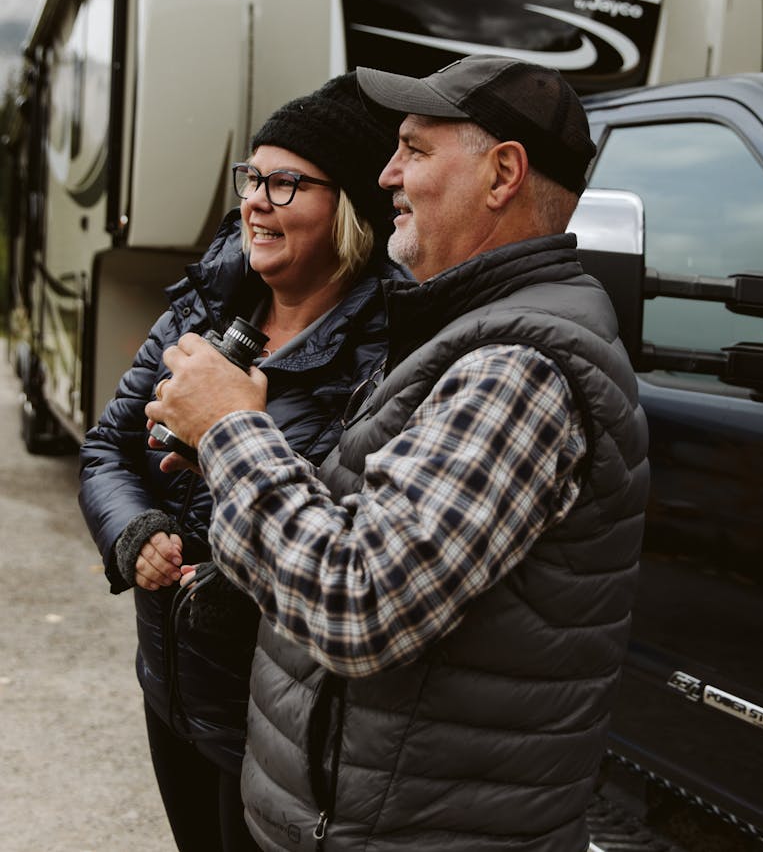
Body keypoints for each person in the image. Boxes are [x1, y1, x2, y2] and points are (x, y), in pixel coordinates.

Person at [146, 54, 650, 852]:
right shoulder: (461, 335)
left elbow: (359, 599)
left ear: (503, 173)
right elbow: (372, 530)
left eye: (414, 149)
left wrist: (230, 431)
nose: (386, 174)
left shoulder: (519, 370)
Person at [78, 71, 402, 852]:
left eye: (286, 182)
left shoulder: (384, 351)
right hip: (174, 683)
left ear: (350, 207)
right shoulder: (204, 306)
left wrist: (240, 579)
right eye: (252, 177)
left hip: (282, 720)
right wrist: (134, 529)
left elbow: (349, 529)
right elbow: (107, 448)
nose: (256, 199)